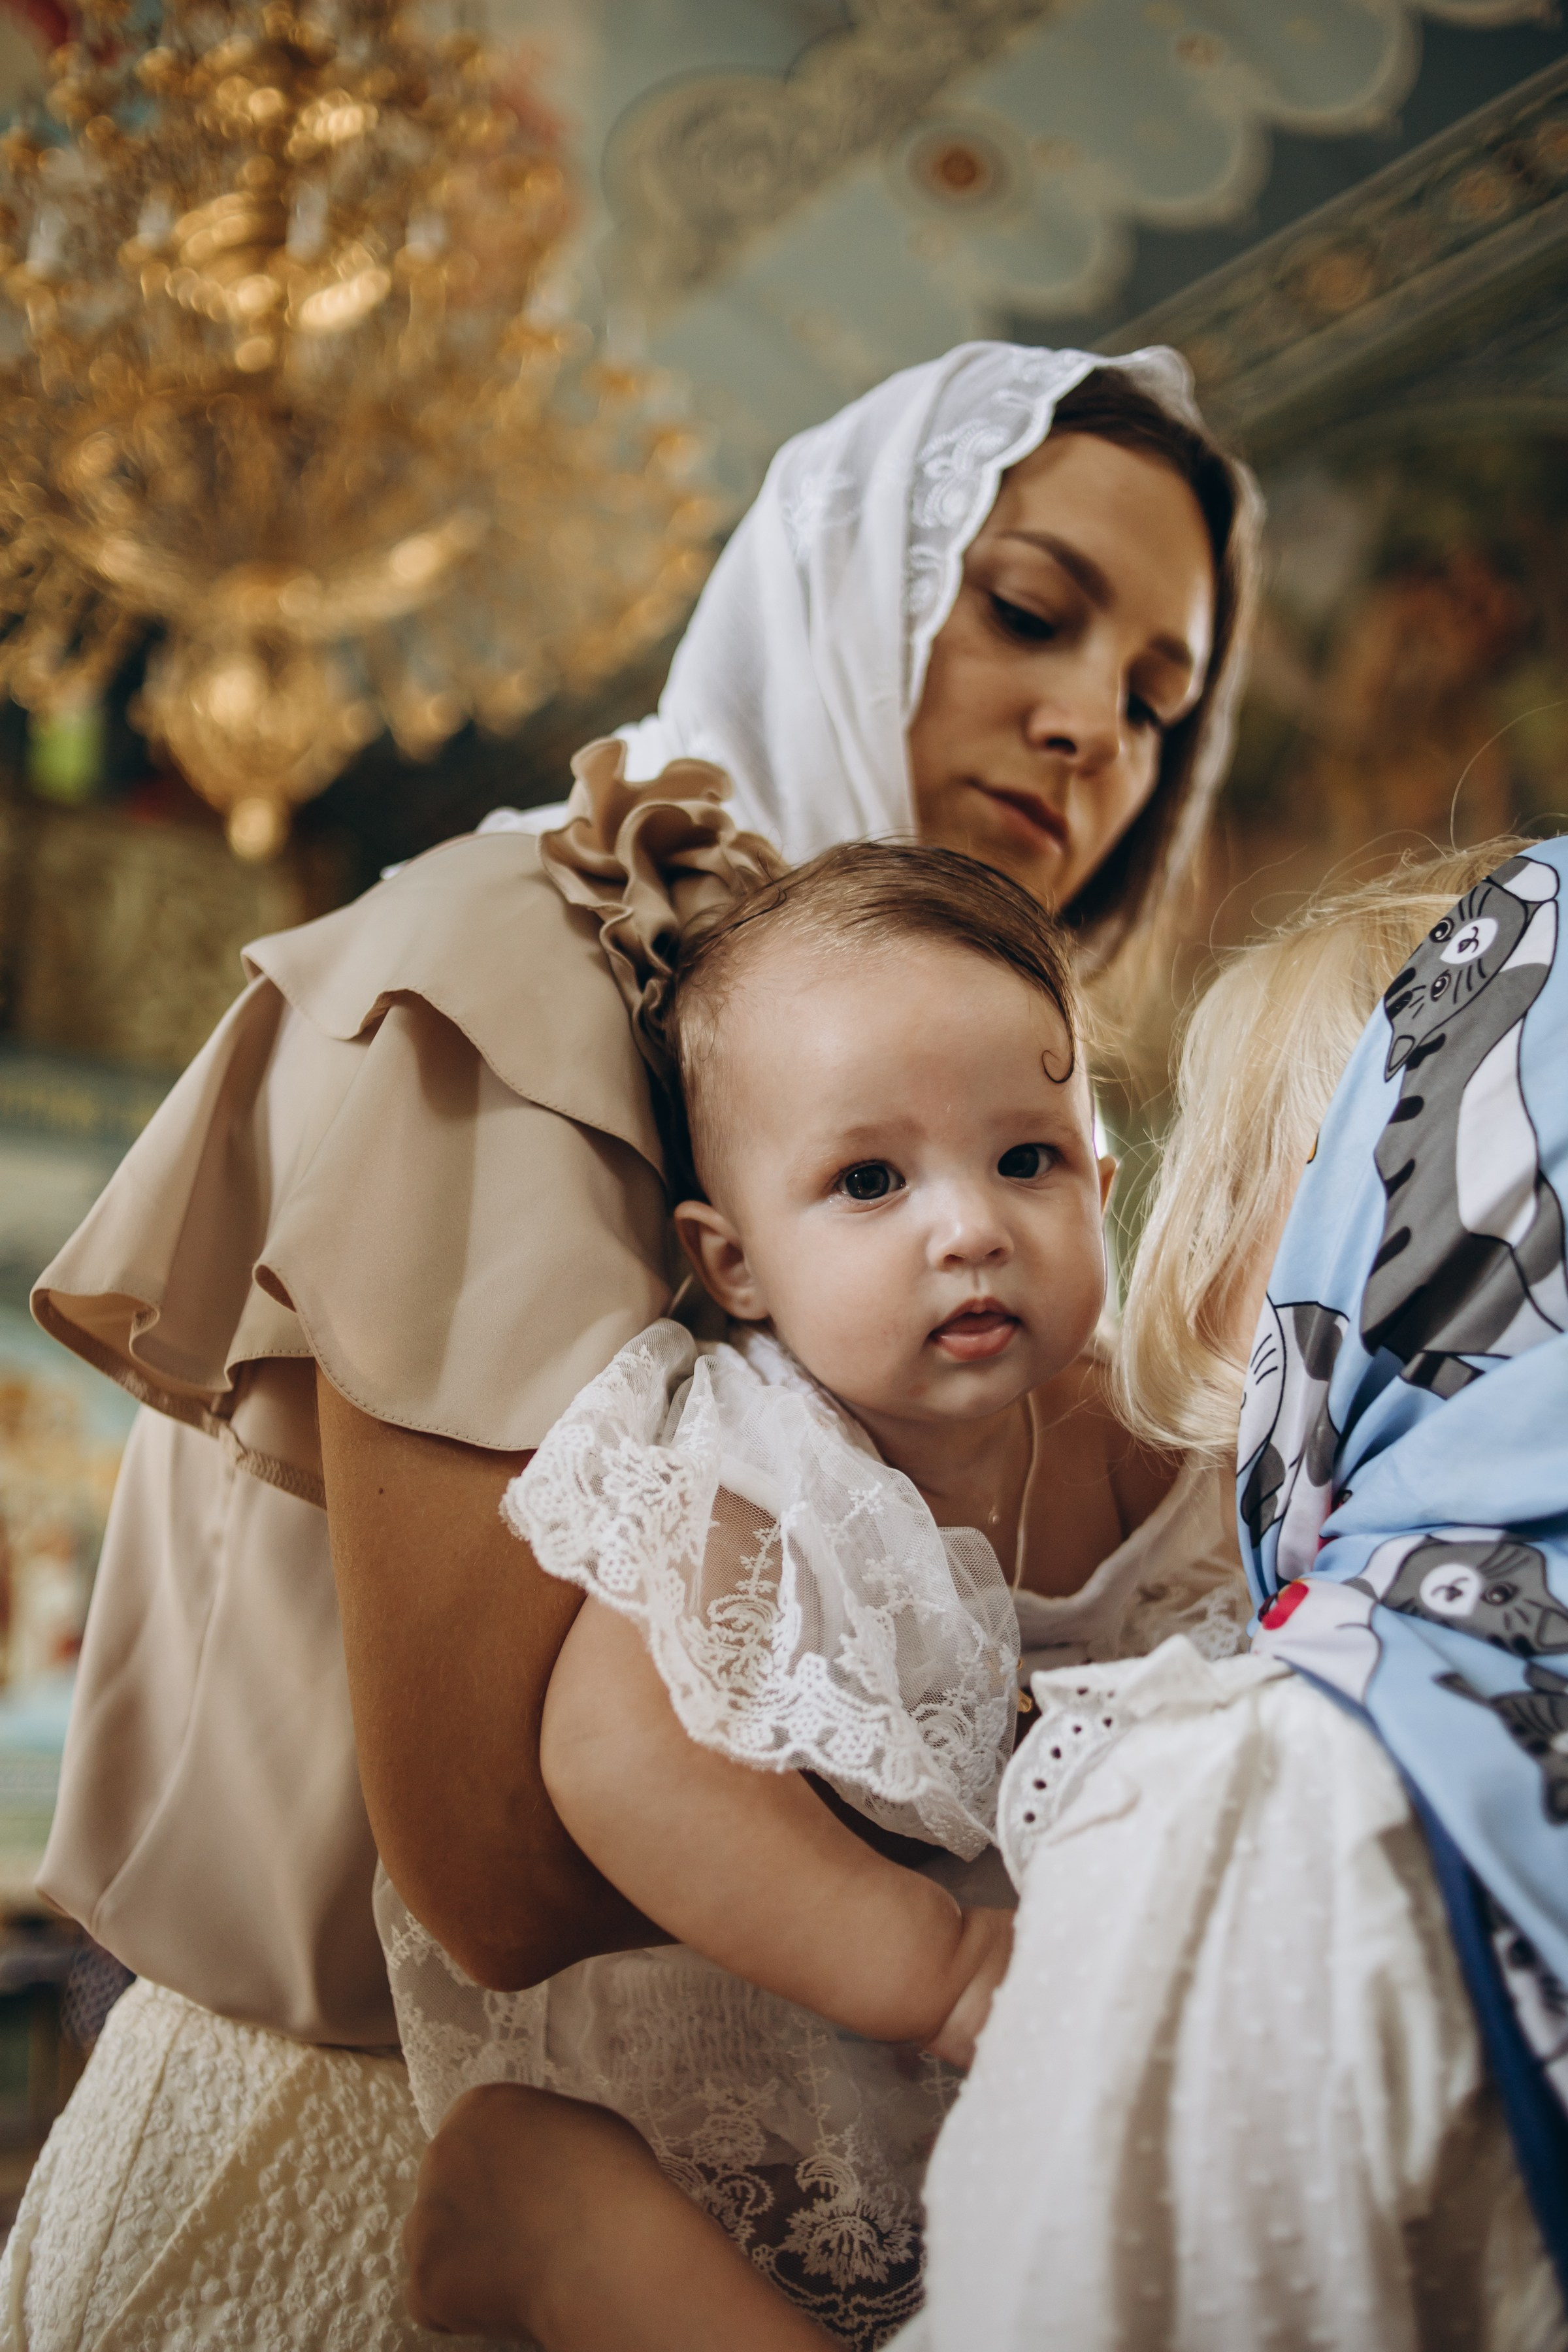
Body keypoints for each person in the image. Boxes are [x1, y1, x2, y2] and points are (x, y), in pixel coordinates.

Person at [6, 344, 1256, 2347]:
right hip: (374, 2158)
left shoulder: (978, 1157)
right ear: (852, 569)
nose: (1091, 726)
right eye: (1031, 609)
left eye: (1158, 700)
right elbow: (493, 1867)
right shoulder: (519, 950)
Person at [402, 841, 1567, 2352]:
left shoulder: (1172, 1456)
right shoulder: (769, 1461)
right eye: (869, 1181)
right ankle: (569, 2242)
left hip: (1008, 2050)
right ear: (731, 1261)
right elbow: (618, 1751)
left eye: (1026, 1159)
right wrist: (930, 1966)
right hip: (829, 1992)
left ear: (1104, 1177)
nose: (967, 1227)